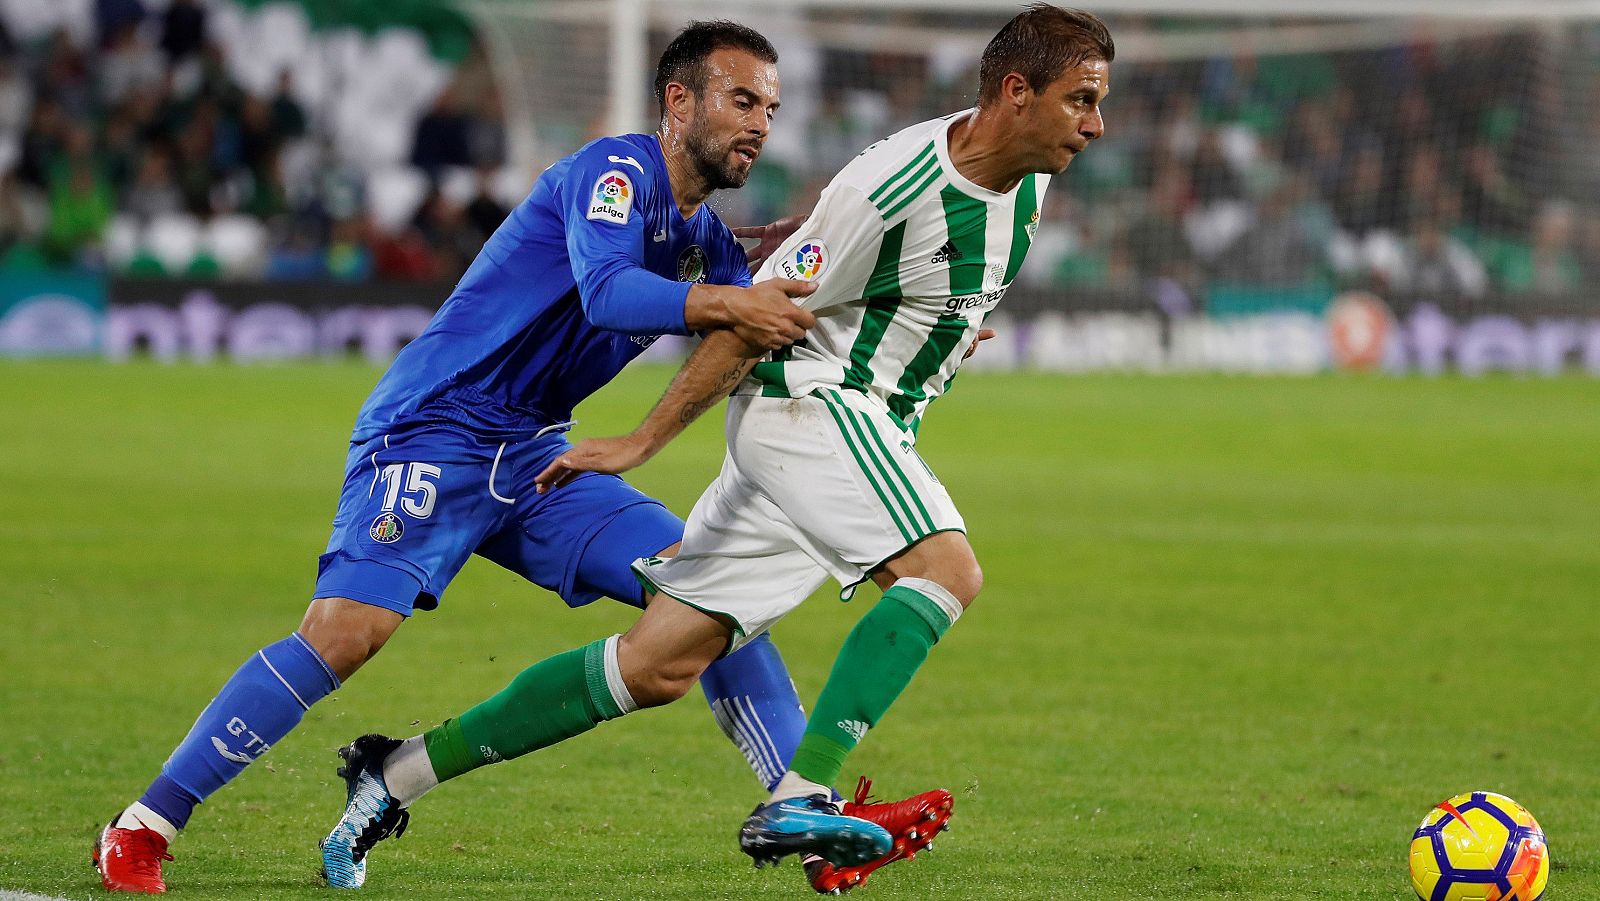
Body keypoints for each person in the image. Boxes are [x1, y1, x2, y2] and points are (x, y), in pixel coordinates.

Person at [326, 2, 1113, 888]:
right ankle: (802, 799)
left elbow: (923, 288)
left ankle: (393, 774)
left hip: (856, 421)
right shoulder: (885, 191)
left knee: (658, 663)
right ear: (1017, 92)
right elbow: (749, 322)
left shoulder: (1032, 177)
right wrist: (640, 442)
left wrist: (943, 333)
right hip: (813, 406)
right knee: (945, 570)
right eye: (1081, 100)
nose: (1096, 123)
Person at [94, 21, 855, 895]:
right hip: (435, 427)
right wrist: (731, 294)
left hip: (536, 454)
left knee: (708, 593)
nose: (761, 123)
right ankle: (143, 825)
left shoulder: (705, 244)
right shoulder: (613, 173)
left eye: (771, 107)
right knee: (344, 635)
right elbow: (609, 291)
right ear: (679, 102)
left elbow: (758, 323)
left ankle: (806, 812)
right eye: (742, 99)